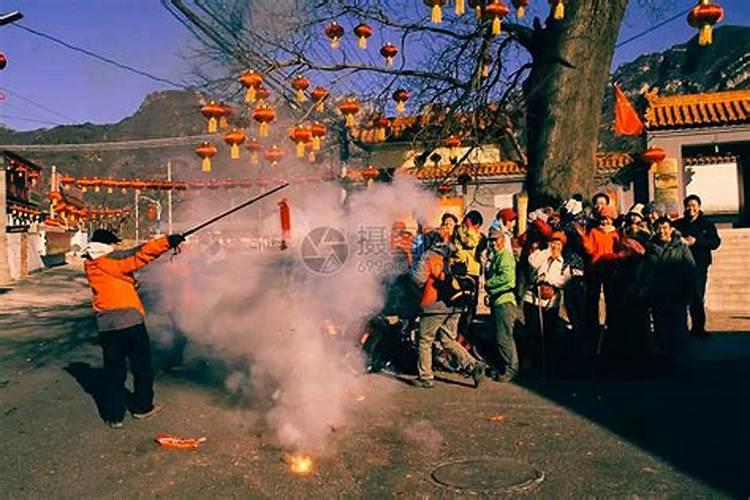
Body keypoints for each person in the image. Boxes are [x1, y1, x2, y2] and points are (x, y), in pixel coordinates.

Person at [81, 229, 185, 428]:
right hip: (129, 322)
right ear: (107, 244)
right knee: (142, 367)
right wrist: (167, 241)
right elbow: (139, 254)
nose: (117, 247)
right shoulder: (109, 260)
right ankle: (142, 407)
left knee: (114, 371)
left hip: (106, 325)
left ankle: (113, 416)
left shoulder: (92, 263)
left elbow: (124, 268)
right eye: (115, 244)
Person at [412, 229, 485, 389]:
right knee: (447, 339)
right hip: (455, 303)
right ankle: (472, 365)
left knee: (425, 340)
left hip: (433, 303)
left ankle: (425, 376)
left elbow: (418, 279)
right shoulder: (453, 253)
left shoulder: (429, 256)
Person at [643, 217, 696, 376]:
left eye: (665, 228)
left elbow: (690, 270)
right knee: (661, 331)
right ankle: (665, 366)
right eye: (658, 228)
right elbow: (646, 273)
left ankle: (682, 366)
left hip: (677, 296)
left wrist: (688, 294)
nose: (662, 231)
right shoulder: (650, 248)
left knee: (679, 331)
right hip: (658, 297)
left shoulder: (681, 247)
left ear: (671, 229)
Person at [521, 231, 573, 376]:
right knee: (532, 331)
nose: (555, 246)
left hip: (551, 302)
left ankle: (547, 364)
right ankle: (529, 362)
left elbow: (565, 281)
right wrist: (548, 251)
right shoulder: (540, 255)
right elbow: (532, 262)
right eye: (553, 243)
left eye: (559, 244)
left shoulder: (564, 264)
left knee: (548, 333)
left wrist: (548, 281)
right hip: (533, 299)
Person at [673, 195, 720, 337]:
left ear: (699, 206)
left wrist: (696, 241)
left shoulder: (706, 224)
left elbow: (715, 242)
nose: (691, 208)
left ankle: (698, 328)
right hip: (679, 265)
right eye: (688, 205)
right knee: (680, 297)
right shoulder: (679, 224)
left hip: (699, 265)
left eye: (694, 205)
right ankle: (680, 328)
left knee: (697, 296)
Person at [485, 228, 518, 382]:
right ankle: (505, 367)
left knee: (504, 338)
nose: (493, 243)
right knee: (501, 337)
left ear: (503, 241)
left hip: (504, 301)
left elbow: (506, 277)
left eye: (496, 240)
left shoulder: (504, 255)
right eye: (491, 240)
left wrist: (489, 284)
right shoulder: (497, 256)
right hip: (498, 299)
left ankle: (511, 369)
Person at [453, 210, 485, 338]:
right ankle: (460, 334)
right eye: (476, 226)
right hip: (464, 271)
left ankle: (467, 333)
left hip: (474, 271)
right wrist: (471, 229)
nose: (478, 230)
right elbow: (470, 243)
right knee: (463, 306)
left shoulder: (474, 234)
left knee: (472, 305)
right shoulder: (461, 230)